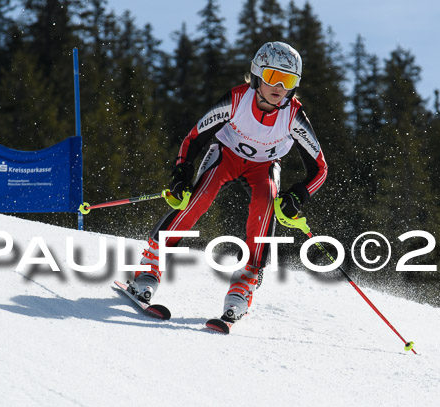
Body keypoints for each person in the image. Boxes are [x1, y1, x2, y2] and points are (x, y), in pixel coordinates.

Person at [129, 41, 328, 325]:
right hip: (227, 154)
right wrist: (182, 172)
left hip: (265, 166)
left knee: (265, 204)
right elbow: (195, 136)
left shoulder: (294, 115)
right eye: (273, 77)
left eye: (288, 81)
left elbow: (320, 168)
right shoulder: (236, 99)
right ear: (258, 74)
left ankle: (244, 285)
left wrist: (298, 195)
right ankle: (149, 268)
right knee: (199, 197)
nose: (279, 87)